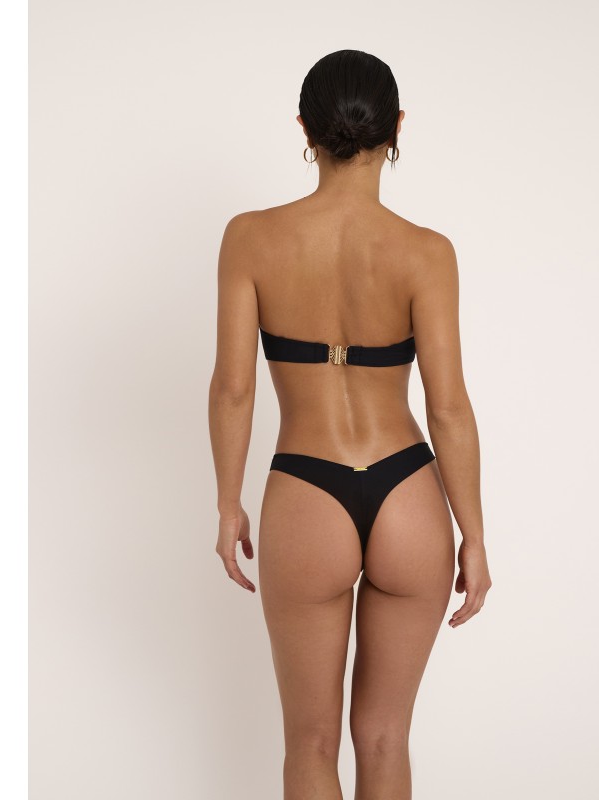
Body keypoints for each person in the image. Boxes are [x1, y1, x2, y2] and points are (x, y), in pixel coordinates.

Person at [208, 49, 492, 799]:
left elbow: (234, 389)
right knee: (386, 738)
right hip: (407, 493)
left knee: (309, 745)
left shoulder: (251, 238)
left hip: (307, 491)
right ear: (397, 127)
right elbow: (448, 407)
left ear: (305, 127)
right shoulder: (427, 253)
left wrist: (229, 502)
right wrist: (473, 535)